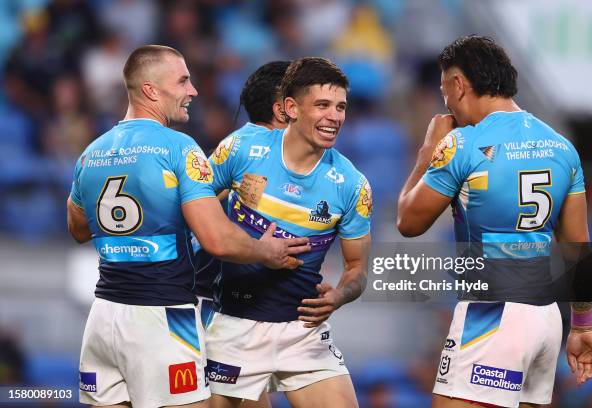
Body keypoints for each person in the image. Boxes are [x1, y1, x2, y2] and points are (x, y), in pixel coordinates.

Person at [66, 45, 310, 408]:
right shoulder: (179, 147)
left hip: (102, 318)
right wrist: (267, 251)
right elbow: (216, 239)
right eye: (182, 80)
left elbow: (79, 228)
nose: (192, 91)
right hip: (163, 313)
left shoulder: (93, 151)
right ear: (151, 89)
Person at [396, 36, 592, 408]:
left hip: (490, 314)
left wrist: (427, 153)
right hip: (545, 322)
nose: (445, 103)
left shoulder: (464, 144)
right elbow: (578, 248)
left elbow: (408, 221)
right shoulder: (561, 146)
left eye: (444, 91)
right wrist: (583, 324)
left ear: (459, 85)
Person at [204, 57, 372, 408]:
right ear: (291, 108)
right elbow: (193, 205)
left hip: (303, 333)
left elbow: (357, 270)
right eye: (323, 105)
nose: (334, 116)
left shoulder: (353, 186)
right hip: (236, 328)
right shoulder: (242, 149)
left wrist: (340, 295)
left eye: (340, 107)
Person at [193, 60, 291, 408]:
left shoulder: (244, 147)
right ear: (283, 109)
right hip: (217, 308)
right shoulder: (254, 150)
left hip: (234, 306)